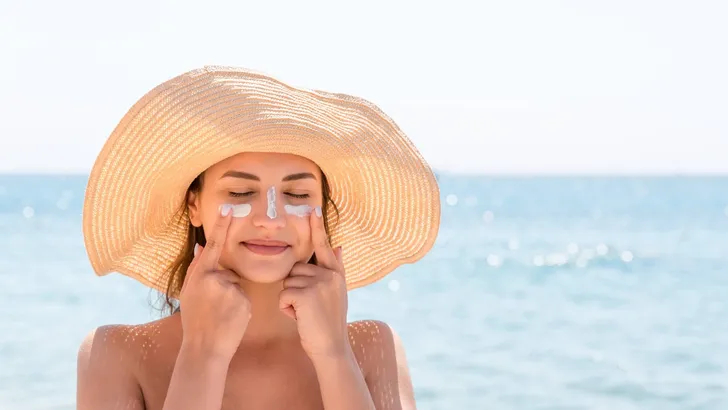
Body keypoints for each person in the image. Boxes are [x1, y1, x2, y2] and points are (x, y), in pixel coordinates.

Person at [76, 66, 440, 410]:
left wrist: (333, 353)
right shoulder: (116, 354)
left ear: (323, 214)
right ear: (194, 206)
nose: (270, 218)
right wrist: (203, 355)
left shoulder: (374, 348)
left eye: (297, 195)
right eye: (239, 193)